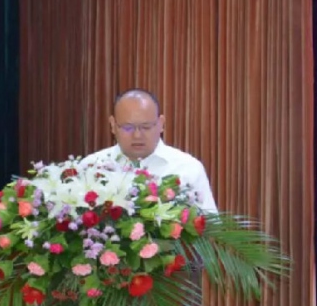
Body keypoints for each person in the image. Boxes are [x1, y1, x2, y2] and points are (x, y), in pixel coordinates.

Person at [81, 88, 218, 215]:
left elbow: (211, 228)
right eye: (128, 128)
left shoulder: (188, 168)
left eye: (146, 127)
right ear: (113, 125)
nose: (137, 135)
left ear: (161, 124)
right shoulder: (91, 167)